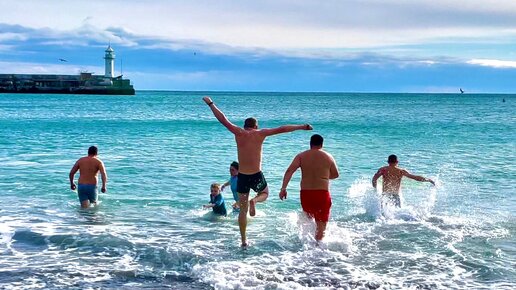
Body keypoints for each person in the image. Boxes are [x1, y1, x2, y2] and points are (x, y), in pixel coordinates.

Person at [203, 96, 313, 247]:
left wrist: (210, 103)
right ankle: (254, 200)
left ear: (245, 125)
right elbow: (282, 129)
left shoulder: (238, 132)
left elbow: (223, 119)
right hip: (256, 175)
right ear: (256, 126)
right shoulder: (261, 133)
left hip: (242, 176)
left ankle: (243, 241)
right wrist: (302, 127)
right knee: (265, 193)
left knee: (242, 210)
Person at [279, 134, 339, 241]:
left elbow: (289, 171)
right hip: (322, 194)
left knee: (309, 221)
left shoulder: (301, 156)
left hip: (306, 194)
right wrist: (323, 177)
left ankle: (307, 246)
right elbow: (335, 174)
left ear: (310, 144)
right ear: (322, 144)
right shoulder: (328, 157)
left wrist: (283, 188)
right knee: (321, 227)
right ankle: (317, 250)